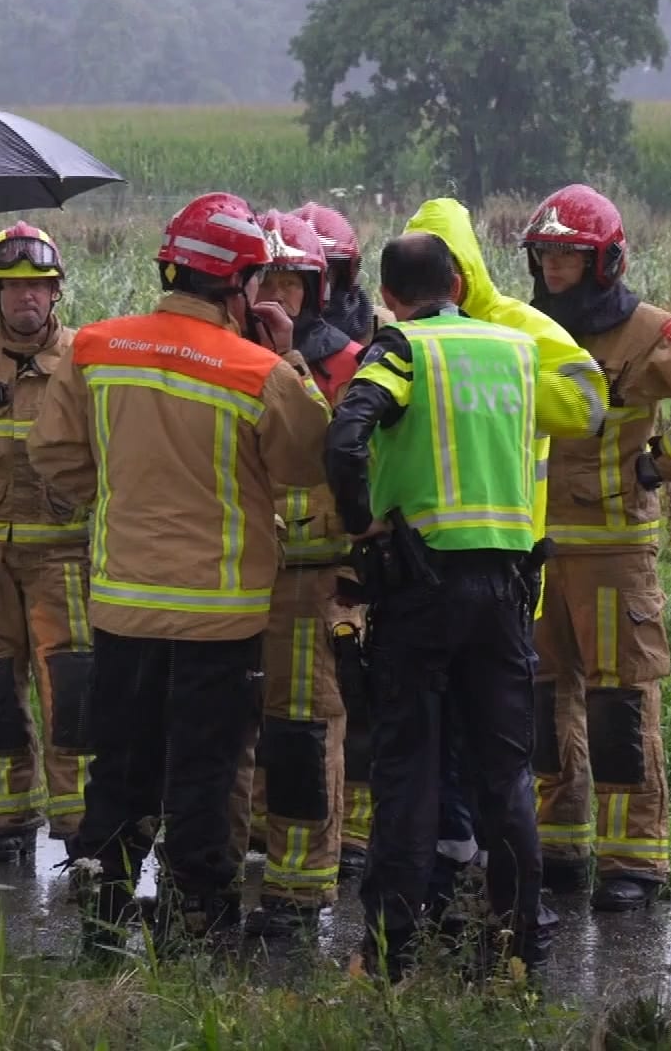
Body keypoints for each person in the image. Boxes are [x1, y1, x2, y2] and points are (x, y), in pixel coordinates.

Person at [28, 192, 331, 953]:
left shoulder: (94, 349)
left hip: (122, 607)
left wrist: (123, 496)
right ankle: (197, 925)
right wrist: (287, 354)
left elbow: (54, 456)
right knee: (202, 774)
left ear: (171, 266)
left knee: (119, 768)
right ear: (240, 285)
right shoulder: (257, 370)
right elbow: (308, 462)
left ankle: (100, 918)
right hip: (219, 616)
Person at [326, 231, 603, 982]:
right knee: (506, 774)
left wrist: (362, 524)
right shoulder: (513, 350)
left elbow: (346, 436)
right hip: (510, 588)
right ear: (458, 280)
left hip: (422, 585)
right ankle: (519, 943)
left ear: (388, 297)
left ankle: (390, 952)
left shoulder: (402, 349)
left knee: (409, 769)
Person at [522, 183, 671, 912]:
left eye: (569, 258)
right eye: (545, 256)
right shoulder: (522, 327)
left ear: (604, 261)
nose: (553, 270)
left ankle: (634, 863)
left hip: (616, 549)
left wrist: (660, 463)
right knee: (546, 706)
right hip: (540, 548)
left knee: (620, 709)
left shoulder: (648, 333)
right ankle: (561, 846)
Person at [402, 196, 608, 928]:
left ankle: (506, 898)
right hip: (432, 577)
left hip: (507, 577)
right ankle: (461, 876)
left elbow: (588, 402)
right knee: (447, 746)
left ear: (460, 274)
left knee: (499, 749)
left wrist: (501, 391)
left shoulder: (520, 332)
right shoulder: (412, 334)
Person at [0, 222, 96, 863]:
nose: (25, 298)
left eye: (37, 287)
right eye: (12, 287)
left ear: (56, 292)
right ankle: (4, 825)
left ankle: (83, 829)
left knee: (73, 698)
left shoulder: (86, 358)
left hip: (66, 557)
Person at [225, 209, 362, 939]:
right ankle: (249, 850)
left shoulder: (346, 365)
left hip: (316, 572)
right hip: (238, 568)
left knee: (306, 726)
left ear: (318, 286)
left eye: (292, 281)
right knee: (239, 723)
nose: (277, 295)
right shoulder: (223, 359)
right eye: (264, 280)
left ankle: (302, 886)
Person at [292, 202, 391, 873]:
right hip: (282, 561)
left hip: (356, 557)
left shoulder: (373, 353)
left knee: (355, 699)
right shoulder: (268, 352)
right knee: (291, 711)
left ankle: (358, 835)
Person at [293, 202, 394, 345]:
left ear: (343, 276)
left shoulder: (384, 328)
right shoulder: (257, 329)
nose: (312, 283)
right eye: (300, 274)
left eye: (324, 272)